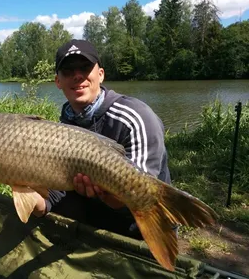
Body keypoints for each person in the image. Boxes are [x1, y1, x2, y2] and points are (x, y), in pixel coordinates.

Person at [32, 39, 171, 240]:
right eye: (68, 70)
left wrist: (112, 197)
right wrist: (35, 202)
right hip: (95, 217)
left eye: (85, 67)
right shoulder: (64, 125)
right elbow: (56, 188)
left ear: (101, 74)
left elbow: (143, 194)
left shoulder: (135, 117)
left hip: (137, 226)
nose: (77, 75)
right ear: (58, 81)